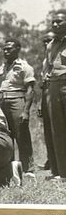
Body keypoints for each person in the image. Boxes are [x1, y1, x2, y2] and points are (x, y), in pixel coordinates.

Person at [0, 38, 36, 178]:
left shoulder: (25, 67)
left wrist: (25, 111)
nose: (6, 51)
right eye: (4, 49)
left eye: (9, 49)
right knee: (6, 137)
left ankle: (28, 169)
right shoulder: (1, 68)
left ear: (17, 49)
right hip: (1, 103)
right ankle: (10, 168)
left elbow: (30, 90)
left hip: (17, 101)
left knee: (22, 135)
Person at [44, 9, 66, 182]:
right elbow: (49, 67)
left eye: (59, 21)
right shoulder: (51, 45)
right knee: (57, 130)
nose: (55, 24)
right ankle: (62, 173)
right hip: (54, 87)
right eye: (53, 22)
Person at [37, 31, 56, 172]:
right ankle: (52, 161)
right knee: (49, 130)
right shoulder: (45, 60)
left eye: (49, 40)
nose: (46, 43)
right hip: (46, 93)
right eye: (44, 41)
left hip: (57, 93)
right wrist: (40, 103)